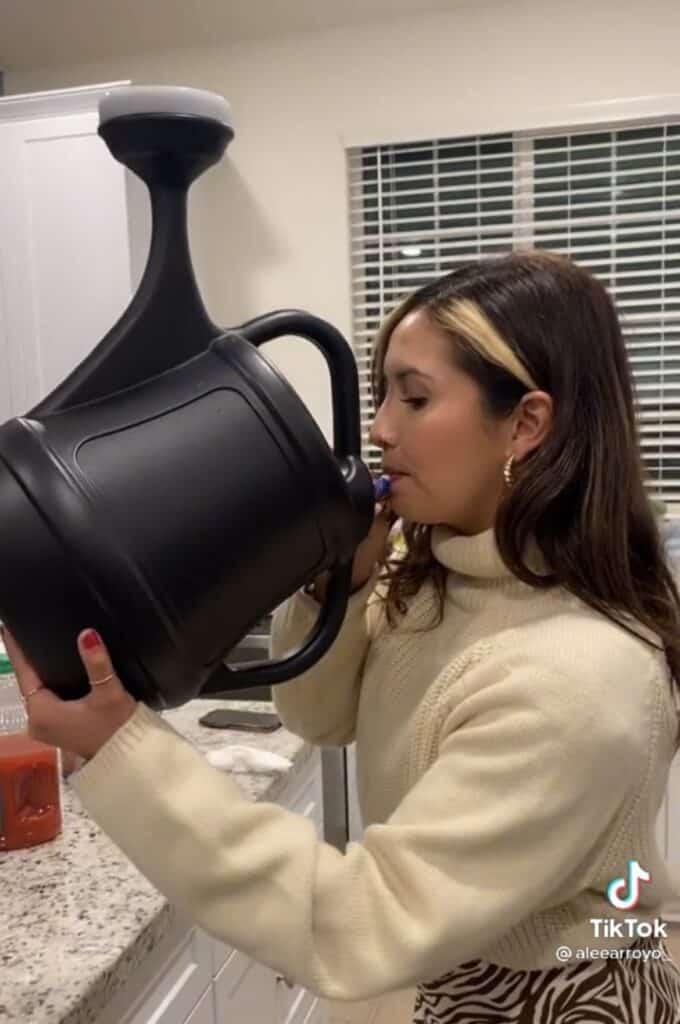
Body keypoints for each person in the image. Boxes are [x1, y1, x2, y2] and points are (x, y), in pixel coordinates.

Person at [6, 249, 680, 1023]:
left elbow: (364, 923)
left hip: (561, 994)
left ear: (526, 424)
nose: (380, 430)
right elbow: (318, 718)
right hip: (466, 969)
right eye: (382, 394)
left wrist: (121, 746)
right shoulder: (442, 571)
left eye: (415, 399)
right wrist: (342, 581)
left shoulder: (578, 677)